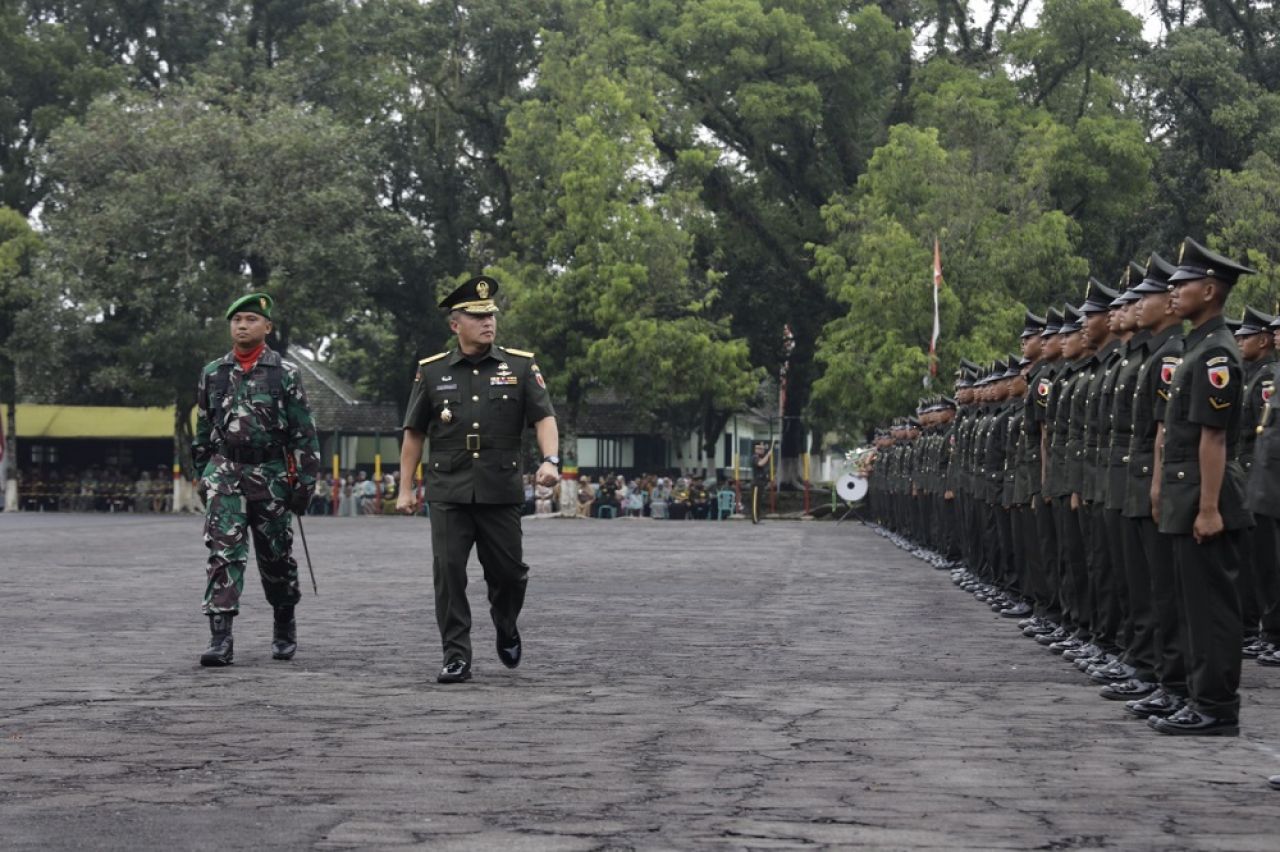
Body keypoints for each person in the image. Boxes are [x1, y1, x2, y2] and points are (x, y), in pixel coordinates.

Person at [397, 275, 559, 685]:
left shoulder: (520, 366)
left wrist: (551, 460)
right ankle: (456, 655)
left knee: (509, 574)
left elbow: (544, 417)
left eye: (491, 315)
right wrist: (404, 488)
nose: (488, 323)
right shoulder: (431, 372)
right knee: (448, 572)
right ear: (456, 324)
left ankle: (505, 622)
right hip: (448, 488)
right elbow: (414, 433)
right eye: (477, 316)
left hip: (499, 488)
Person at [1148, 238, 1255, 736]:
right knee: (1191, 604)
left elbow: (1213, 437)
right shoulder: (1198, 347)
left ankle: (1215, 705)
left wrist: (1209, 508)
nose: (1173, 292)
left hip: (1206, 497)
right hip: (1189, 495)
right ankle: (1198, 696)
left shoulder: (1216, 355)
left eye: (1182, 284)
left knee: (1212, 607)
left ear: (1209, 290)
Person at [192, 292, 320, 667]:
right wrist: (205, 475)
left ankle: (284, 621)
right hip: (226, 473)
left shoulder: (286, 373)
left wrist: (305, 483)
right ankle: (220, 639)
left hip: (272, 476)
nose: (242, 325)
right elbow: (202, 429)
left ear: (268, 327)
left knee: (275, 555)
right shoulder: (213, 372)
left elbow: (304, 432)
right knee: (223, 553)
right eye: (236, 320)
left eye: (250, 319)